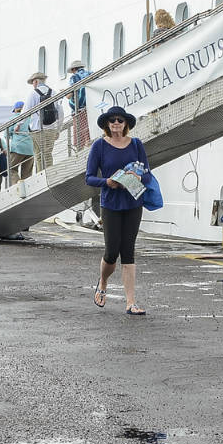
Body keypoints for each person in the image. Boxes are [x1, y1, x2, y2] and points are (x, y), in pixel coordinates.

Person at [85, 105, 150, 316]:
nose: (116, 123)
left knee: (128, 250)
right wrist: (107, 181)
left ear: (126, 123)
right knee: (112, 251)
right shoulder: (99, 146)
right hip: (110, 203)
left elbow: (147, 174)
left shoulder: (136, 144)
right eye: (112, 120)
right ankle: (103, 282)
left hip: (133, 202)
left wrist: (139, 177)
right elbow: (89, 177)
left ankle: (130, 302)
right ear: (107, 123)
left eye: (120, 120)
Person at [27, 71, 61, 171]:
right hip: (51, 128)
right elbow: (60, 112)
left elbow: (26, 110)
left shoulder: (33, 93)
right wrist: (58, 129)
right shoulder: (53, 92)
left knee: (39, 155)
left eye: (33, 82)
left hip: (37, 129)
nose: (33, 85)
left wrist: (19, 124)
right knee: (47, 154)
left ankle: (42, 175)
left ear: (36, 81)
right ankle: (48, 174)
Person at [7, 101, 35, 184]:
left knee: (11, 169)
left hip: (17, 147)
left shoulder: (13, 118)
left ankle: (18, 186)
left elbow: (7, 134)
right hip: (30, 147)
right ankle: (27, 189)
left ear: (15, 110)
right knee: (27, 173)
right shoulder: (31, 117)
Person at [68, 60, 92, 150]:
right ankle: (89, 145)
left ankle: (82, 150)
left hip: (79, 108)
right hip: (91, 105)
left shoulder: (74, 77)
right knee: (88, 129)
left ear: (74, 69)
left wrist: (64, 93)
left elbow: (69, 94)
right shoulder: (90, 74)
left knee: (79, 133)